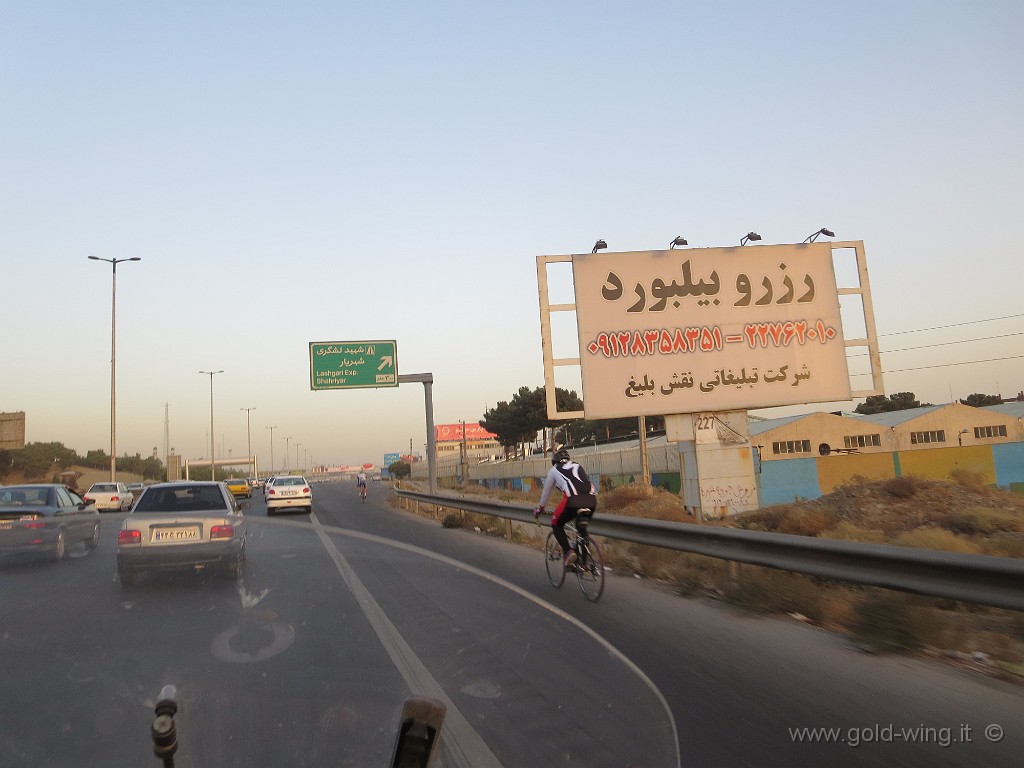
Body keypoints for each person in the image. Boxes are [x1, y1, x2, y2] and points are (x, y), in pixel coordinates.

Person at [533, 448, 597, 568]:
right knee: (582, 530)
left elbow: (546, 492)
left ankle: (568, 552)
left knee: (556, 523)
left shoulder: (554, 470)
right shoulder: (578, 466)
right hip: (591, 500)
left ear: (555, 462)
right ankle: (584, 564)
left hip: (572, 500)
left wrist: (540, 508)